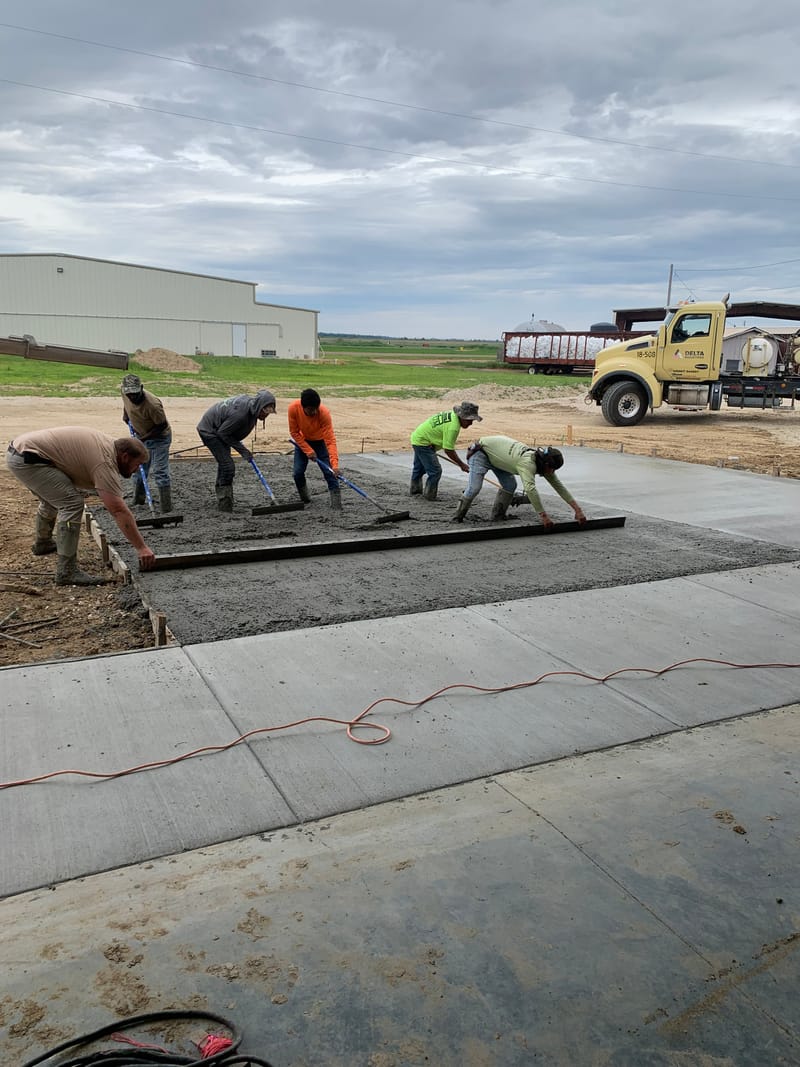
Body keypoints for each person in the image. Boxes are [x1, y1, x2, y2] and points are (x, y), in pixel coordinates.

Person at [6, 427, 156, 585]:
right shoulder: (104, 462)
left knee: (53, 498)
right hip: (29, 459)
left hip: (22, 451)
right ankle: (67, 572)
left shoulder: (111, 445)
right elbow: (118, 510)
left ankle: (43, 543)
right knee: (72, 504)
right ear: (125, 457)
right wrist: (141, 547)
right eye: (137, 465)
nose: (136, 471)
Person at [451, 437, 587, 527]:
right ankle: (457, 517)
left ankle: (498, 516)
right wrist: (543, 516)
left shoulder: (544, 465)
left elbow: (559, 486)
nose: (552, 472)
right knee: (475, 487)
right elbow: (530, 489)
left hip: (497, 457)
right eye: (551, 469)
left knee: (510, 485)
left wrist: (577, 510)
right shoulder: (528, 463)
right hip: (480, 452)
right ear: (545, 463)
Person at [196, 389, 277, 511]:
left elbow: (228, 432)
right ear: (259, 406)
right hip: (210, 431)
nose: (265, 415)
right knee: (228, 466)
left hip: (221, 430)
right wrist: (243, 451)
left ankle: (223, 498)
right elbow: (223, 433)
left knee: (224, 463)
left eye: (268, 413)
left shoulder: (252, 408)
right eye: (264, 411)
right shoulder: (240, 415)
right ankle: (224, 503)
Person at [120, 373, 173, 513]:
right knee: (138, 468)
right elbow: (126, 403)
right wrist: (126, 414)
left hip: (159, 438)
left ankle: (166, 508)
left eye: (135, 394)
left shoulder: (153, 405)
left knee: (160, 471)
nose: (132, 397)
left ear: (141, 388)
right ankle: (138, 501)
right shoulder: (125, 392)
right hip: (140, 434)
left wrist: (142, 439)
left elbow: (161, 426)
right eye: (129, 394)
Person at [409, 401, 482, 500]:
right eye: (469, 420)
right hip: (422, 442)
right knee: (435, 471)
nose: (471, 423)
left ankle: (415, 491)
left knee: (419, 468)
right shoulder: (453, 427)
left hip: (420, 437)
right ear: (462, 417)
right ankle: (429, 496)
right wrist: (461, 464)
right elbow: (448, 450)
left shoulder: (452, 415)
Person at [288, 388, 342, 510]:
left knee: (329, 472)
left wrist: (335, 465)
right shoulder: (293, 408)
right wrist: (308, 450)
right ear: (303, 407)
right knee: (297, 472)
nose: (314, 412)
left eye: (316, 409)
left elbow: (330, 441)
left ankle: (336, 503)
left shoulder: (324, 413)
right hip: (302, 441)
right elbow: (294, 432)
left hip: (320, 442)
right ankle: (305, 498)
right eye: (311, 410)